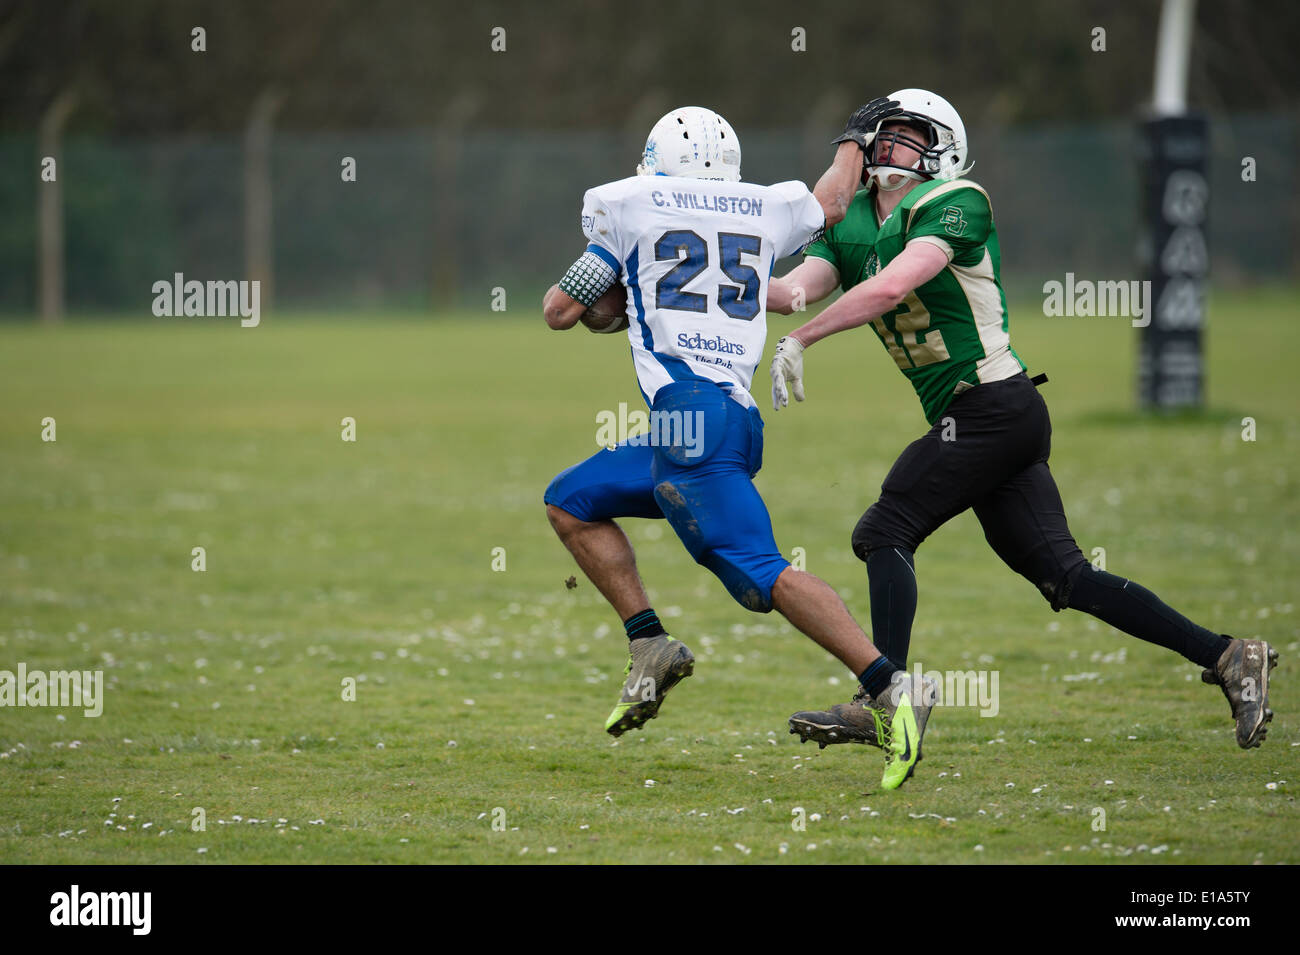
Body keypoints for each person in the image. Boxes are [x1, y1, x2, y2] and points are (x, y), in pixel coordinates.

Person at [766, 89, 1278, 753]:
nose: (889, 144)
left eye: (908, 133)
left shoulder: (956, 201)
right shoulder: (854, 221)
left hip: (994, 407)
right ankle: (1231, 655)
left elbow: (892, 286)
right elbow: (790, 290)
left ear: (943, 147)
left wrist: (805, 338)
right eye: (883, 133)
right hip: (983, 418)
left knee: (883, 529)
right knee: (1067, 577)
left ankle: (884, 700)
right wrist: (711, 278)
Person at [541, 105, 935, 789]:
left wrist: (616, 295)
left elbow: (563, 309)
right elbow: (834, 200)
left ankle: (893, 686)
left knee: (760, 575)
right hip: (722, 419)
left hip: (693, 422)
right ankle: (649, 643)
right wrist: (852, 134)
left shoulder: (628, 202)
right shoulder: (765, 206)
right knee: (572, 501)